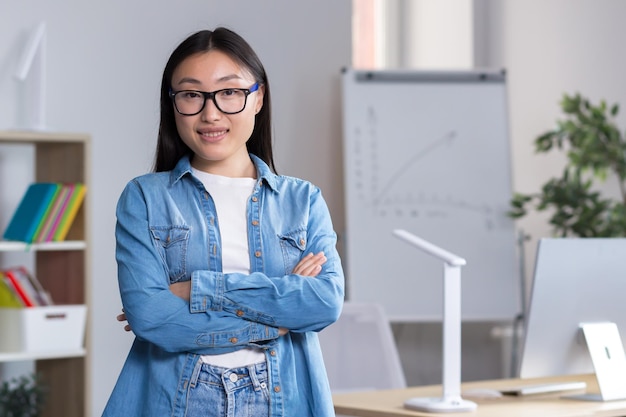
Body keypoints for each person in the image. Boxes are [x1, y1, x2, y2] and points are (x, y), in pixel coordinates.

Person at [102, 27, 345, 417]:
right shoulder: (145, 197)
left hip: (283, 400)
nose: (210, 112)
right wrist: (274, 322)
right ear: (174, 103)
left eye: (229, 92)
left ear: (258, 97)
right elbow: (152, 318)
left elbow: (322, 304)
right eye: (192, 94)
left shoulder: (303, 201)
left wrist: (197, 288)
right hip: (177, 399)